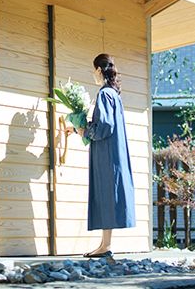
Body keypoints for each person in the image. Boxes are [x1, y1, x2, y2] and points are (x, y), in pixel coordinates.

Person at [67, 53, 135, 257]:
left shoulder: (105, 94)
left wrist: (84, 131)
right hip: (114, 153)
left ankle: (105, 245)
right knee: (108, 197)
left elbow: (105, 126)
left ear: (99, 70)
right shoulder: (114, 94)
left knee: (105, 195)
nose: (93, 74)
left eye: (93, 69)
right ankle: (105, 244)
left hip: (106, 154)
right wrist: (81, 128)